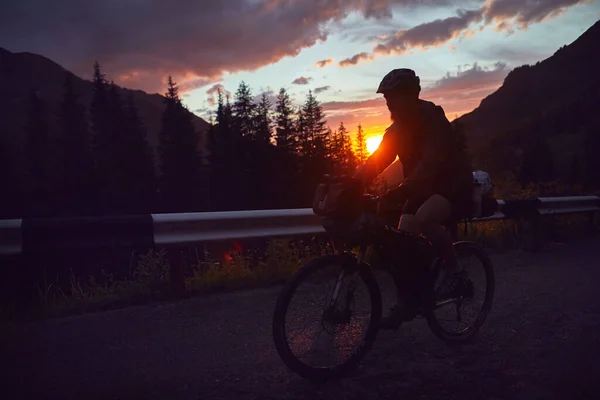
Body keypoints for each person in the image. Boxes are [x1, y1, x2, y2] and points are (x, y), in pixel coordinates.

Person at [354, 68, 474, 330]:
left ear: (411, 95)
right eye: (386, 98)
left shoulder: (432, 118)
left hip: (452, 186)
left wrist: (405, 186)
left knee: (426, 220)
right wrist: (351, 181)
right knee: (401, 243)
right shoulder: (396, 130)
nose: (389, 104)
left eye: (393, 97)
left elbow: (432, 162)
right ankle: (408, 302)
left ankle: (456, 275)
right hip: (421, 189)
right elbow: (377, 161)